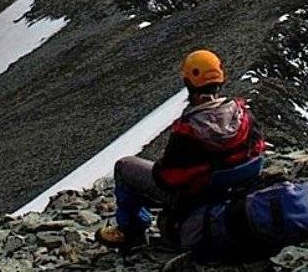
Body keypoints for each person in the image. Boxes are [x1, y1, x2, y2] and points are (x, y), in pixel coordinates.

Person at [96, 49, 267, 249]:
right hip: (236, 189)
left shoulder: (188, 131)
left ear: (188, 82)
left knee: (125, 167)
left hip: (197, 195)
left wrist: (161, 166)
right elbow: (258, 150)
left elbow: (166, 178)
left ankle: (130, 231)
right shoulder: (243, 115)